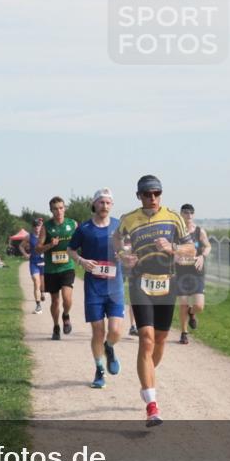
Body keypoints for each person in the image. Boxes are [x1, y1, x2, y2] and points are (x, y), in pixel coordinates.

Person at [115, 175, 193, 427]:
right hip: (140, 282)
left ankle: (146, 374)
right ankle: (151, 405)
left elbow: (190, 249)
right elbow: (117, 240)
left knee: (159, 340)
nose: (152, 198)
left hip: (166, 283)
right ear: (139, 195)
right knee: (146, 339)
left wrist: (172, 248)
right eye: (147, 194)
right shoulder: (129, 219)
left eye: (157, 193)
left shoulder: (173, 218)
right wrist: (123, 255)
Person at [67, 188, 124, 388]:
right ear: (95, 204)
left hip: (115, 287)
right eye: (101, 202)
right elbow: (70, 249)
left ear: (112, 205)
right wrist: (81, 261)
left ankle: (110, 348)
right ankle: (100, 371)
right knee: (98, 331)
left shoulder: (119, 226)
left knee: (115, 331)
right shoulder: (84, 229)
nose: (105, 206)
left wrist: (123, 254)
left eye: (108, 203)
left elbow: (129, 247)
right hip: (94, 288)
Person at [36, 196, 77, 340]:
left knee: (67, 298)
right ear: (51, 210)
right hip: (51, 270)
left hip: (67, 267)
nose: (58, 211)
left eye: (61, 208)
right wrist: (50, 245)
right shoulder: (46, 227)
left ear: (64, 208)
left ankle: (66, 315)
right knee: (55, 301)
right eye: (55, 209)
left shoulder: (73, 224)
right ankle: (56, 326)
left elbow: (82, 242)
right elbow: (38, 249)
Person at [175, 203, 210, 344]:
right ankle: (184, 333)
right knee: (183, 303)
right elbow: (169, 248)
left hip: (196, 272)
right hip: (181, 272)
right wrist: (174, 255)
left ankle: (192, 313)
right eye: (185, 212)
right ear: (181, 214)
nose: (188, 215)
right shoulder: (176, 232)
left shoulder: (199, 231)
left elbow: (207, 246)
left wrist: (202, 256)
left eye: (191, 213)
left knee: (199, 305)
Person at [19, 218, 46, 313]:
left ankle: (42, 293)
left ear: (41, 226)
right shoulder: (29, 237)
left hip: (44, 262)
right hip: (34, 263)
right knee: (36, 282)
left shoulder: (46, 236)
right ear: (32, 227)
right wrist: (25, 254)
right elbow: (21, 246)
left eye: (38, 225)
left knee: (43, 283)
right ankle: (38, 305)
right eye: (35, 225)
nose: (37, 227)